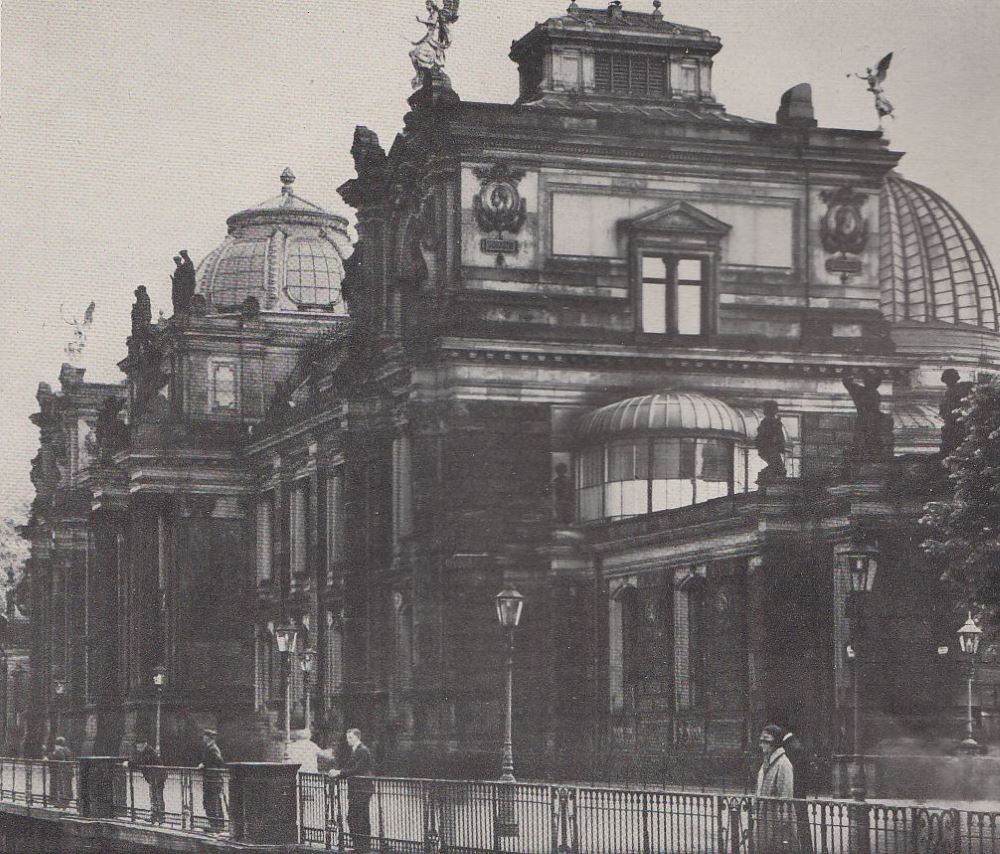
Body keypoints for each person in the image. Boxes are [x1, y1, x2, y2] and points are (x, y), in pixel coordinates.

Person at [328, 728, 373, 852]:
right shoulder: (356, 751)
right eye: (347, 738)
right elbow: (349, 766)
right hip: (357, 790)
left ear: (357, 737)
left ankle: (363, 848)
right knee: (356, 818)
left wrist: (339, 773)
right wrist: (338, 771)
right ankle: (360, 847)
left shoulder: (362, 751)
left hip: (362, 790)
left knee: (358, 818)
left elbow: (357, 769)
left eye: (350, 738)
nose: (348, 740)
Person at [755, 724, 797, 854]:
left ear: (774, 743)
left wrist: (784, 824)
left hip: (778, 825)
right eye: (761, 741)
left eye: (766, 741)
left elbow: (786, 796)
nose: (762, 745)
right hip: (764, 820)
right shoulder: (765, 764)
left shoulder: (783, 764)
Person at [781, 730, 814, 853]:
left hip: (795, 791)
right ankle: (806, 848)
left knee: (798, 821)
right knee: (801, 820)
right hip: (800, 791)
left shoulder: (791, 747)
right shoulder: (795, 744)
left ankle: (804, 848)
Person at [131, 737, 166, 824]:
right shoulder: (145, 751)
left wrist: (129, 763)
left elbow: (141, 762)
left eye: (139, 747)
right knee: (153, 796)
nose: (138, 749)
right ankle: (154, 816)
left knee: (158, 796)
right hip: (152, 777)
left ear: (144, 744)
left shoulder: (149, 751)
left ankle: (161, 817)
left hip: (158, 777)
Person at [197, 729, 226, 833]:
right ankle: (214, 825)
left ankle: (217, 826)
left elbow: (219, 761)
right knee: (209, 802)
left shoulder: (213, 748)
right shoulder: (210, 747)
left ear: (208, 737)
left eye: (205, 736)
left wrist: (205, 765)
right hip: (210, 780)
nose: (203, 738)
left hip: (213, 780)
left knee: (213, 802)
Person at [48, 736, 74, 807]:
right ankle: (65, 801)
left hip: (62, 771)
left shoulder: (60, 750)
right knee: (66, 786)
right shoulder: (67, 750)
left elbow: (60, 759)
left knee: (62, 786)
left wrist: (52, 755)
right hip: (66, 771)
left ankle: (62, 802)